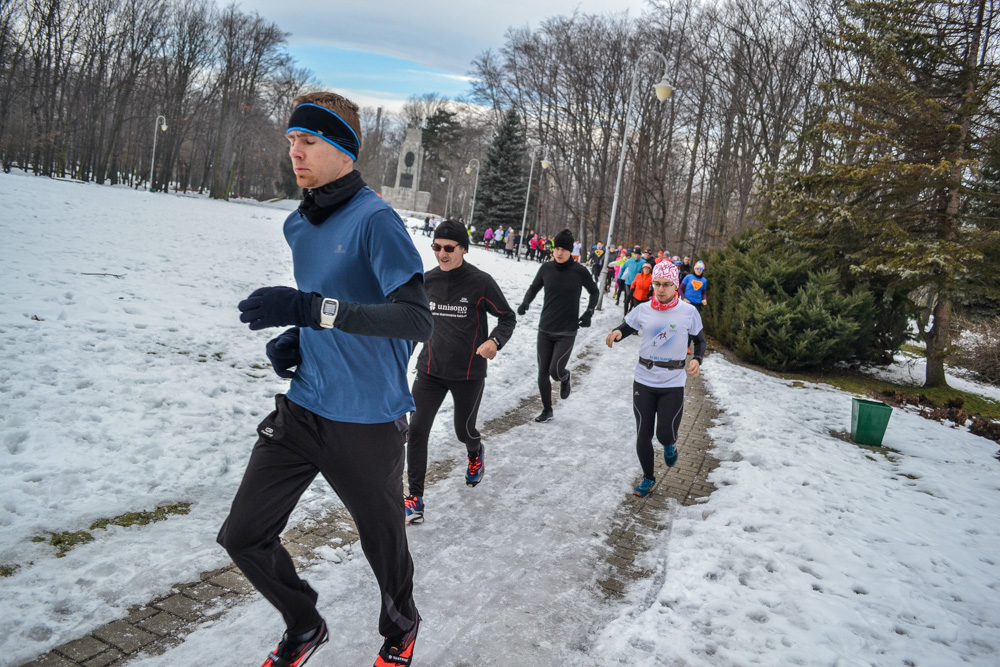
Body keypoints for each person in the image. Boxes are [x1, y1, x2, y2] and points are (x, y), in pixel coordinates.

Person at [220, 91, 428, 667]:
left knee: (382, 544)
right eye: (291, 139)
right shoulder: (299, 224)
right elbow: (327, 305)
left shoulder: (376, 220)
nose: (295, 151)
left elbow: (416, 319)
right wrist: (301, 336)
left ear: (343, 151)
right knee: (242, 535)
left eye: (308, 140)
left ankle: (401, 624)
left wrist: (313, 313)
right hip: (305, 407)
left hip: (367, 417)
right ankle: (305, 623)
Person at [405, 220, 517, 524]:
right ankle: (415, 498)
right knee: (416, 431)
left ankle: (475, 451)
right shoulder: (427, 281)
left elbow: (507, 317)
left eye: (448, 248)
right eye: (436, 247)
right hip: (430, 369)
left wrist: (494, 341)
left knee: (463, 431)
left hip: (468, 373)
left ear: (463, 249)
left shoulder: (480, 282)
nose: (441, 253)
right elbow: (413, 321)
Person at [604, 261, 706, 497]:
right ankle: (648, 477)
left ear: (675, 285)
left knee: (664, 434)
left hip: (672, 383)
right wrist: (618, 332)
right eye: (657, 284)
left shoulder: (688, 312)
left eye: (666, 285)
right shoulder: (643, 309)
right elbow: (627, 326)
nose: (660, 289)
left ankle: (670, 445)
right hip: (644, 380)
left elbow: (700, 341)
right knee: (643, 434)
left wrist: (697, 359)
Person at [517, 229, 599, 423]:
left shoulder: (579, 271)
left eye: (563, 249)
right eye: (556, 249)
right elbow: (534, 288)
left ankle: (565, 377)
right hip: (545, 328)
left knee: (556, 371)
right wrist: (525, 303)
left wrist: (588, 313)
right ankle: (547, 410)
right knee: (542, 372)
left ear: (571, 251)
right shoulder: (546, 269)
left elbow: (594, 292)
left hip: (567, 331)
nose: (559, 253)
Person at [618, 250, 647, 316]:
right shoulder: (629, 261)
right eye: (635, 254)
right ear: (633, 255)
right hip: (628, 282)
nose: (636, 256)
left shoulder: (643, 262)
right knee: (628, 297)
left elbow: (646, 271)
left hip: (637, 284)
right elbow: (622, 268)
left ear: (640, 255)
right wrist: (619, 277)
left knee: (634, 298)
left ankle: (630, 309)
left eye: (638, 255)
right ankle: (625, 314)